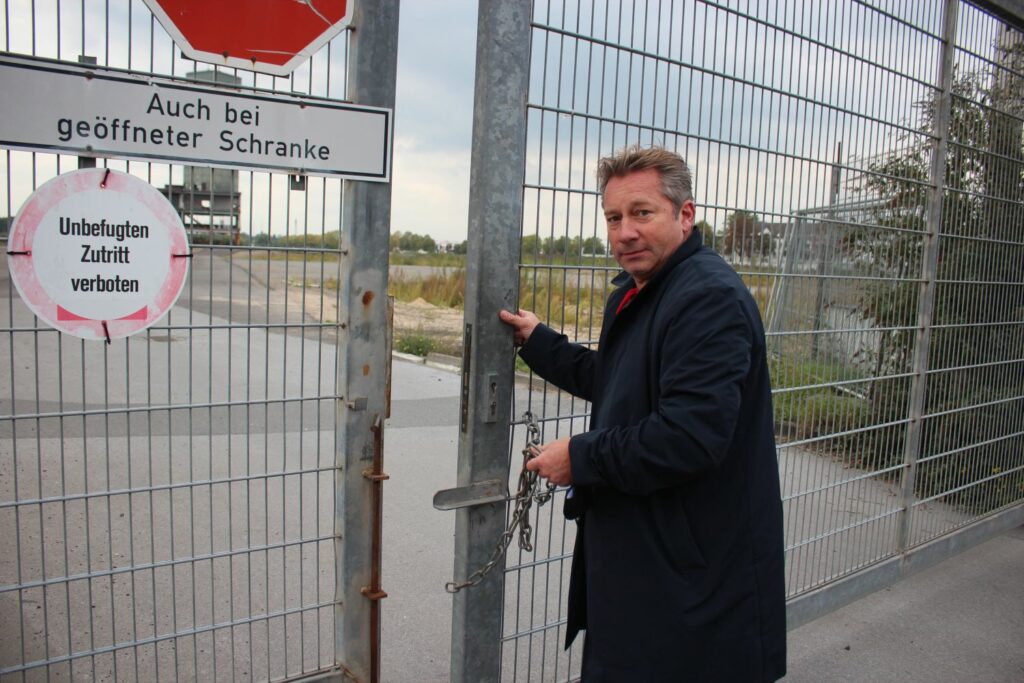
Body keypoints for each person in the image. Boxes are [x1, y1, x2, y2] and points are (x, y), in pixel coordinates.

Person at [499, 146, 786, 681]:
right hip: (651, 564)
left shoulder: (707, 298)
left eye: (641, 213)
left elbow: (690, 435)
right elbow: (619, 380)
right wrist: (540, 343)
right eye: (613, 217)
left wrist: (580, 458)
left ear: (685, 215)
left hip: (692, 579)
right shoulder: (644, 291)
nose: (624, 232)